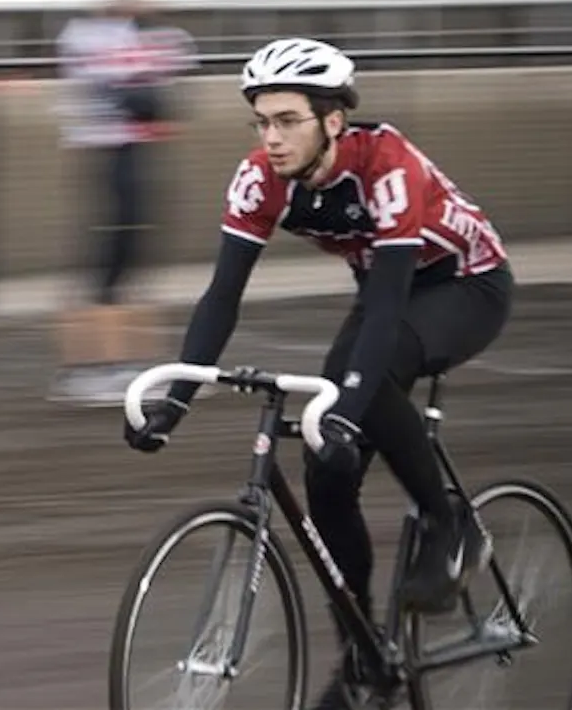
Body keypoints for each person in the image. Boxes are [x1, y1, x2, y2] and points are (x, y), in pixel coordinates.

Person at [121, 37, 514, 708]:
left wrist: (345, 408)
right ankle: (366, 655)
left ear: (334, 120)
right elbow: (221, 296)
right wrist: (176, 399)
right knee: (328, 471)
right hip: (387, 297)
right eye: (262, 122)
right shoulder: (259, 178)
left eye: (287, 121)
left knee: (367, 382)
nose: (270, 138)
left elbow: (388, 308)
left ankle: (450, 524)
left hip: (465, 285)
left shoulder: (386, 165)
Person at [48, 0, 199, 407]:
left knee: (136, 257)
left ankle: (135, 364)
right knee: (109, 259)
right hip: (109, 153)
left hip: (139, 152)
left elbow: (164, 102)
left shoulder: (155, 36)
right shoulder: (90, 35)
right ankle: (90, 367)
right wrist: (146, 92)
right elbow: (138, 99)